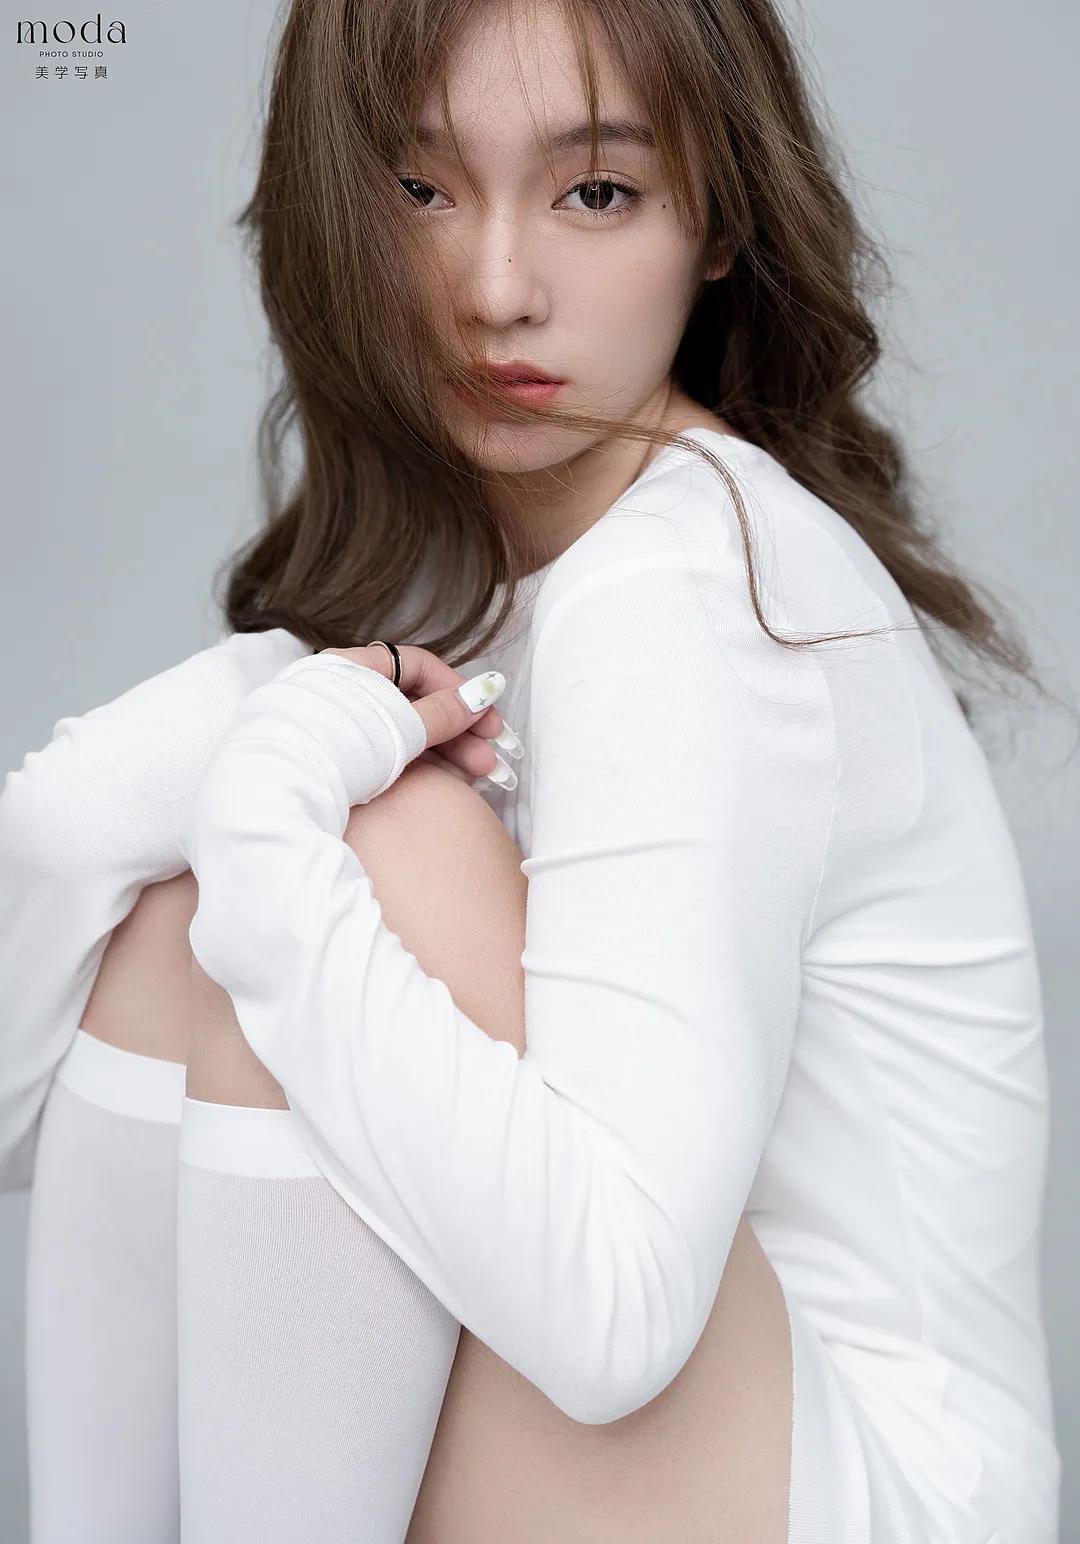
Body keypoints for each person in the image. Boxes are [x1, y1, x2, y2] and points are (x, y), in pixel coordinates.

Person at [0, 0, 1064, 1540]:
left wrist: (271, 827)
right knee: (189, 920)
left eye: (597, 192)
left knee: (377, 845)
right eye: (420, 190)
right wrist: (180, 762)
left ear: (720, 222)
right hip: (696, 1443)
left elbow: (611, 1319)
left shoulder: (686, 586)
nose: (496, 290)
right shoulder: (489, 575)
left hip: (864, 1495)